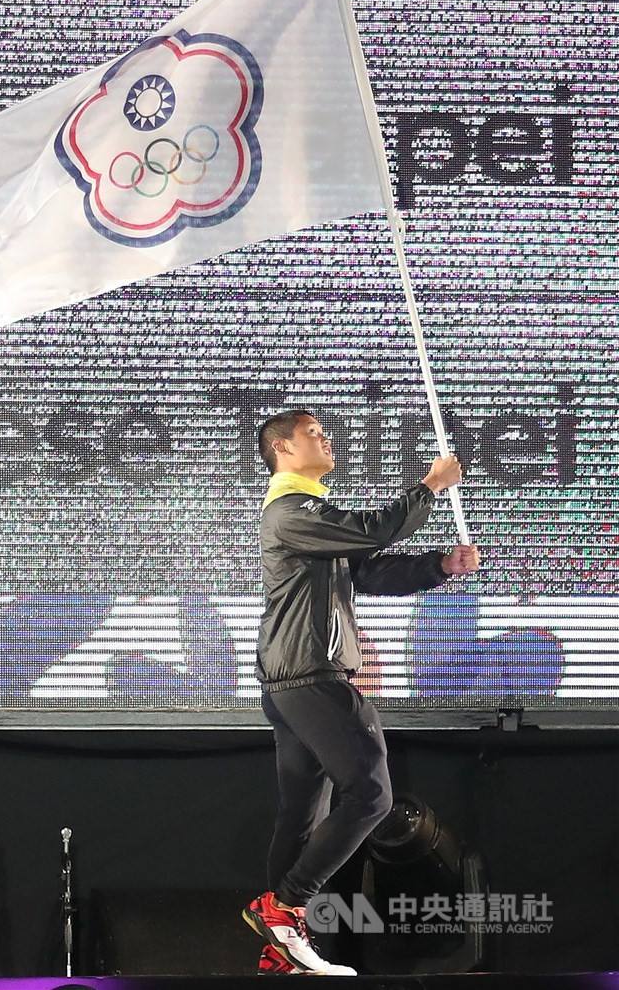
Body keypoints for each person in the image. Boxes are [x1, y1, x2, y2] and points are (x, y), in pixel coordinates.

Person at [242, 409, 480, 975]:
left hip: (292, 682)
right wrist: (429, 486)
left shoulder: (309, 515)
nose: (325, 438)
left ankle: (280, 950)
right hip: (312, 677)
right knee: (371, 795)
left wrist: (439, 565)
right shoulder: (289, 510)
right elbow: (372, 530)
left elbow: (368, 573)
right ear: (282, 448)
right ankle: (287, 907)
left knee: (302, 814)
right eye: (312, 433)